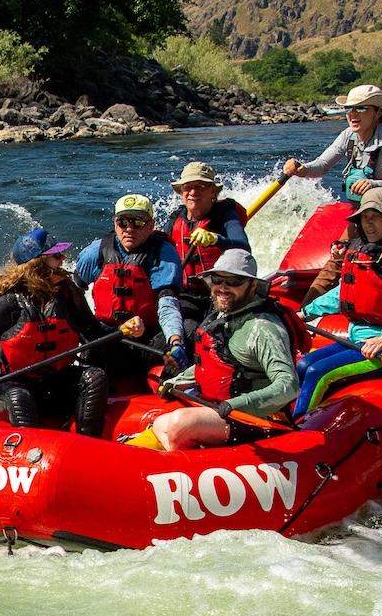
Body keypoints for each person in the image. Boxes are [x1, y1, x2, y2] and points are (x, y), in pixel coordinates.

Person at [0, 228, 143, 437]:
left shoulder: (68, 295)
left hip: (55, 383)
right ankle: (33, 448)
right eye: (56, 256)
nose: (63, 259)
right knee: (18, 396)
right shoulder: (8, 302)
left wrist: (123, 331)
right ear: (37, 266)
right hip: (12, 386)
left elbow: (93, 332)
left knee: (94, 376)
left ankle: (88, 443)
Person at [293, 190, 382, 416]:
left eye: (375, 217)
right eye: (364, 217)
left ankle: (296, 429)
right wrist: (305, 313)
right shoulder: (364, 252)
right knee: (301, 365)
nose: (368, 224)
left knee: (317, 372)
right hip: (357, 340)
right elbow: (345, 293)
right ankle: (281, 416)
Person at [149, 249, 300, 450]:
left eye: (234, 282)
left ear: (253, 284)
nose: (222, 288)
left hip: (257, 419)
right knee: (160, 423)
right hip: (221, 410)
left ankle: (187, 464)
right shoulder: (226, 315)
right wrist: (177, 381)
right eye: (217, 279)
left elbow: (288, 385)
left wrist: (239, 404)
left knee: (179, 424)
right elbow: (216, 364)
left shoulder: (263, 328)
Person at [75, 194, 186, 392]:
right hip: (108, 336)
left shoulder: (163, 253)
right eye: (122, 222)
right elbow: (74, 296)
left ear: (151, 225)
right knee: (91, 350)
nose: (129, 229)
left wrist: (175, 340)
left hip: (148, 337)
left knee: (175, 358)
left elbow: (167, 304)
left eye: (137, 222)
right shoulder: (95, 252)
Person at [281, 84, 382, 202]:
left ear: (378, 113)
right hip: (368, 209)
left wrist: (372, 185)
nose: (353, 114)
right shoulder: (349, 135)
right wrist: (303, 169)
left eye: (361, 108)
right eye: (349, 108)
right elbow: (322, 165)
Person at [168, 160, 252, 310]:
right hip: (186, 296)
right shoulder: (175, 220)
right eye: (188, 187)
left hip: (223, 292)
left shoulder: (226, 214)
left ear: (213, 192)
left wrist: (215, 239)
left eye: (200, 186)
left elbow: (244, 247)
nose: (193, 192)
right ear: (181, 192)